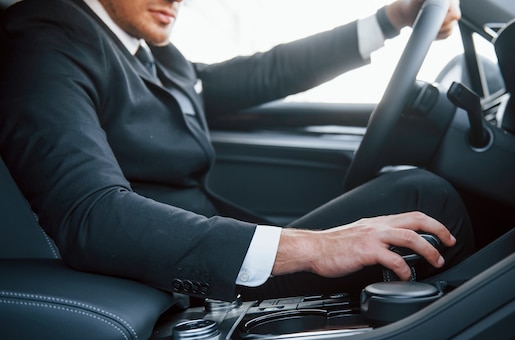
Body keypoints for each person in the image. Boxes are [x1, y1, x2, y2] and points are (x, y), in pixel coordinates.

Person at [0, 0, 473, 302]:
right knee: (421, 197)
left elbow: (263, 73)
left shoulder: (148, 48)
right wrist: (311, 247)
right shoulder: (45, 40)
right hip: (175, 274)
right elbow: (89, 215)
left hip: (216, 243)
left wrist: (390, 19)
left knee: (414, 194)